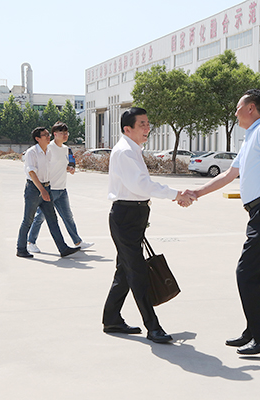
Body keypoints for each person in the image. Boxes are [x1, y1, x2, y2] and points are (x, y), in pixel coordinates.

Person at [190, 89, 260, 355]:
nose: (235, 112)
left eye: (238, 107)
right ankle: (254, 331)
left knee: (246, 274)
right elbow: (229, 175)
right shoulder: (251, 136)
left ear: (250, 108)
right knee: (258, 277)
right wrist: (197, 193)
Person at [102, 107, 193, 344]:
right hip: (126, 217)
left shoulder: (132, 150)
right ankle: (152, 327)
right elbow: (141, 186)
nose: (147, 128)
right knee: (137, 273)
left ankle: (111, 318)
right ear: (127, 129)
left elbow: (142, 186)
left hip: (133, 216)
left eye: (147, 123)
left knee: (125, 271)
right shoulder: (125, 152)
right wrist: (176, 194)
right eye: (141, 124)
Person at [26, 121, 94, 253]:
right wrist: (42, 189)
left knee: (68, 217)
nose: (65, 135)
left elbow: (64, 165)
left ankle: (78, 241)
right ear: (54, 134)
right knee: (40, 217)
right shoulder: (48, 148)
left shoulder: (65, 149)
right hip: (50, 189)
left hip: (62, 189)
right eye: (62, 133)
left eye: (66, 133)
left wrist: (69, 168)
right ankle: (30, 242)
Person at [16, 127, 81, 259]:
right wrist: (42, 190)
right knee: (28, 220)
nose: (48, 136)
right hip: (34, 189)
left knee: (53, 220)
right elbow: (31, 173)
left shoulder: (48, 152)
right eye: (45, 135)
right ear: (37, 138)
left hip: (47, 187)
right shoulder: (32, 152)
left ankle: (63, 248)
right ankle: (21, 248)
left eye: (48, 134)